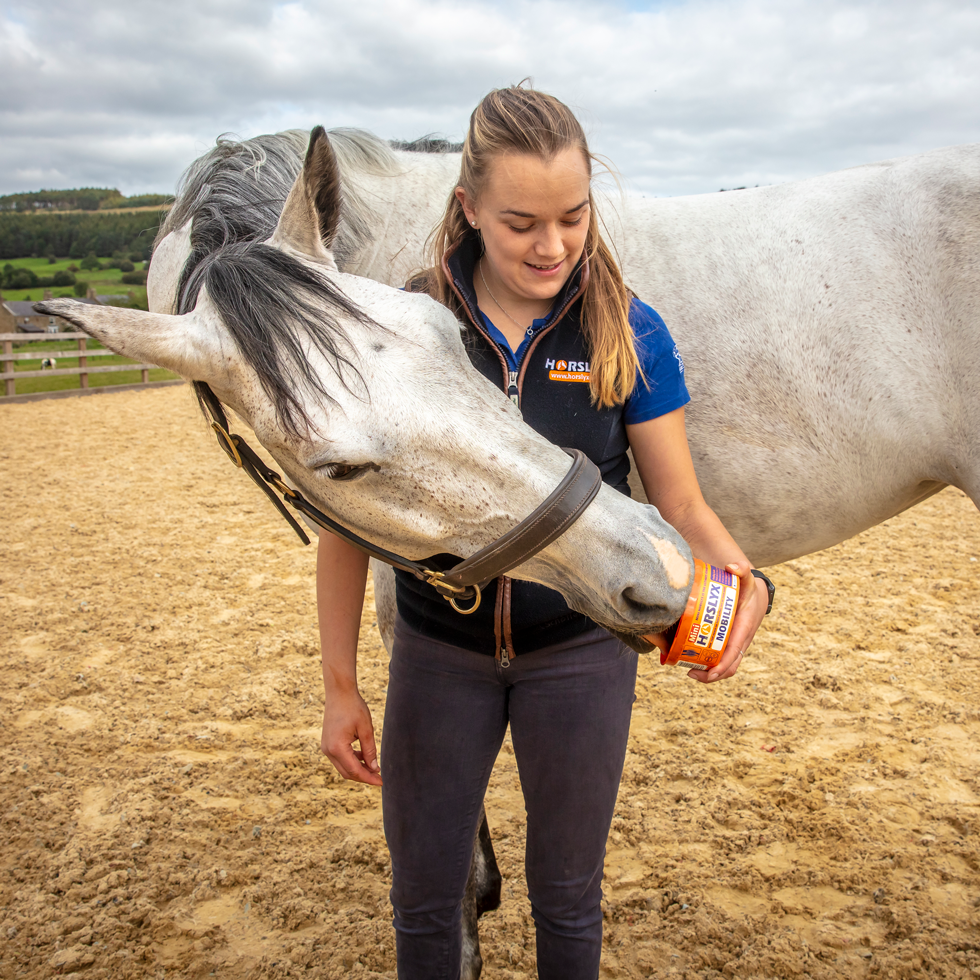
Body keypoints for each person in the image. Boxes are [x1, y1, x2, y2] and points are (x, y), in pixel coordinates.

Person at [318, 84, 772, 979]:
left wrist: (745, 582)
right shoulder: (406, 329)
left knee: (569, 901)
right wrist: (340, 684)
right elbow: (345, 523)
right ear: (469, 209)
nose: (553, 245)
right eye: (522, 221)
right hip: (437, 653)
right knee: (422, 901)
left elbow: (679, 504)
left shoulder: (627, 327)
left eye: (573, 216)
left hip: (580, 657)